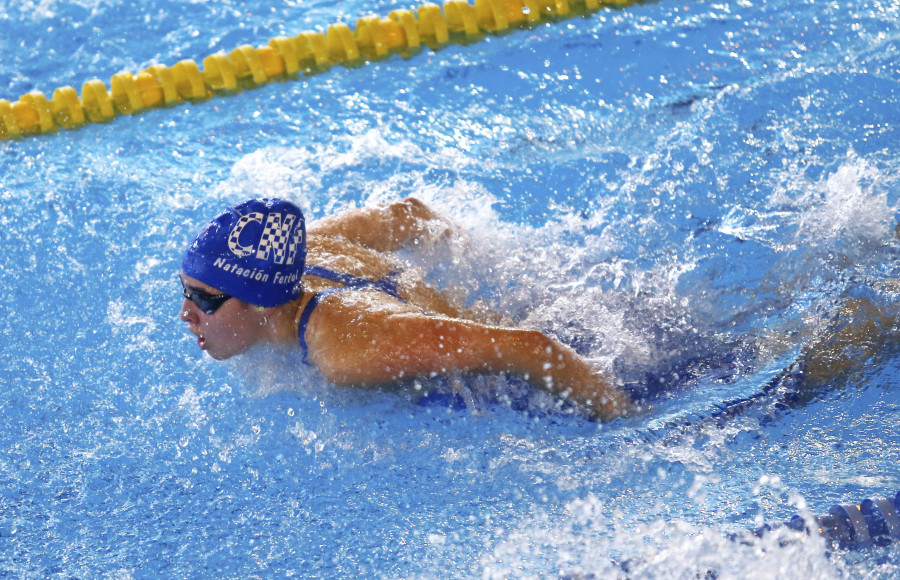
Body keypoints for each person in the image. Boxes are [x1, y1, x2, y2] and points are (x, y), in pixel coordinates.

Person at [179, 197, 634, 421]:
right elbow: (408, 213)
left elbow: (530, 348)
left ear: (261, 300)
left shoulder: (348, 348)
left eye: (203, 299)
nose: (185, 313)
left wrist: (626, 423)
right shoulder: (302, 250)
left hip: (572, 364)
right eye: (184, 291)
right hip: (511, 323)